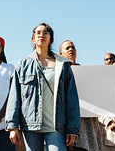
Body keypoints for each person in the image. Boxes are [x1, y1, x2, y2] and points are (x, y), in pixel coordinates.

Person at [6, 23, 81, 151]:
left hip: (57, 125)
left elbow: (72, 98)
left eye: (45, 33)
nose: (42, 35)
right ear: (33, 39)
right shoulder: (22, 64)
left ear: (50, 39)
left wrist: (73, 128)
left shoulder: (63, 65)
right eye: (38, 33)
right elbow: (14, 96)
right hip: (30, 125)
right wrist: (13, 126)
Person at [59, 40, 103, 151]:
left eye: (73, 47)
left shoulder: (87, 73)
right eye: (67, 48)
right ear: (60, 54)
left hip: (87, 124)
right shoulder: (58, 74)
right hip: (68, 124)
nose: (71, 50)